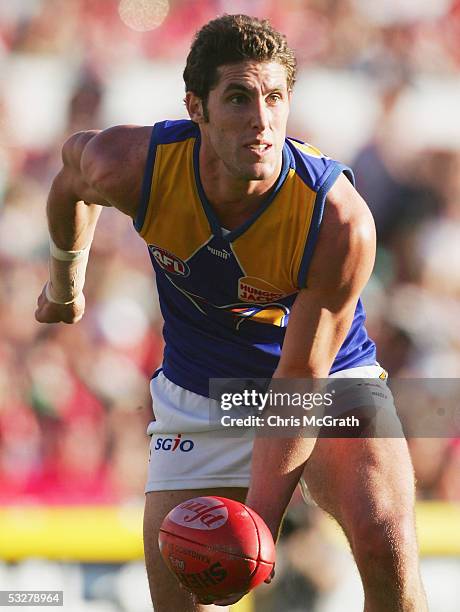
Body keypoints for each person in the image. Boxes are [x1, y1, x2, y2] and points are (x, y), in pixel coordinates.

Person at [35, 14, 427, 612]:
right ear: (197, 107)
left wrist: (257, 531)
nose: (262, 121)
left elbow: (300, 382)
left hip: (323, 382)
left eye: (275, 98)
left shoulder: (338, 219)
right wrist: (66, 281)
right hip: (200, 395)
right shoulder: (130, 165)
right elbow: (69, 183)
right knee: (181, 599)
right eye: (239, 98)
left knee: (385, 539)